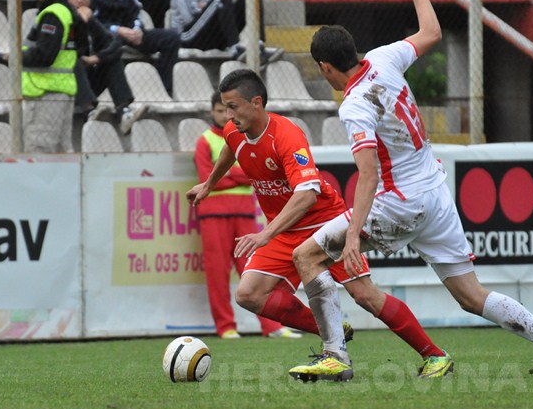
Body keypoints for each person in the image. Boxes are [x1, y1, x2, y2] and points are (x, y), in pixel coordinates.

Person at [299, 0, 533, 379]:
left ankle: (336, 356)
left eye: (323, 71)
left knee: (308, 256)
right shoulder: (386, 57)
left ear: (326, 67)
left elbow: (368, 174)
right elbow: (431, 32)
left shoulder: (353, 106)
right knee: (470, 294)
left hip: (398, 203)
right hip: (435, 195)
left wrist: (353, 236)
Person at [187, 69, 454, 383]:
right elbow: (230, 152)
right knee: (249, 294)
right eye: (225, 107)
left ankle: (434, 354)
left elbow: (308, 193)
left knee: (365, 295)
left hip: (324, 223)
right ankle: (332, 332)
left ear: (257, 103)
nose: (228, 115)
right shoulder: (234, 130)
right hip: (285, 230)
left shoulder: (286, 135)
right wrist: (209, 184)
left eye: (233, 107)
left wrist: (265, 234)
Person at [194, 91, 302, 340]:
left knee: (254, 269)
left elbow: (253, 174)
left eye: (227, 110)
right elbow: (207, 180)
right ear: (212, 112)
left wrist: (227, 176)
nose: (225, 116)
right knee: (217, 272)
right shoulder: (206, 140)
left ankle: (272, 326)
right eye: (220, 111)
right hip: (214, 215)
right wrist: (238, 176)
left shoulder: (245, 137)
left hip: (243, 211)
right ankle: (226, 327)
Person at [65, 0, 148, 134]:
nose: (80, 1)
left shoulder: (91, 20)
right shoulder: (58, 19)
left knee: (112, 59)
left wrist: (96, 58)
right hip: (64, 84)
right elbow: (65, 50)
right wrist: (79, 21)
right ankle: (88, 111)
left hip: (86, 84)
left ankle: (123, 112)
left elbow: (114, 44)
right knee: (73, 60)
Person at [22, 0, 82, 152]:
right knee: (61, 154)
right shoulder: (66, 10)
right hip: (59, 90)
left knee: (39, 151)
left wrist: (16, 57)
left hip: (46, 93)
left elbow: (44, 56)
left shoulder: (52, 14)